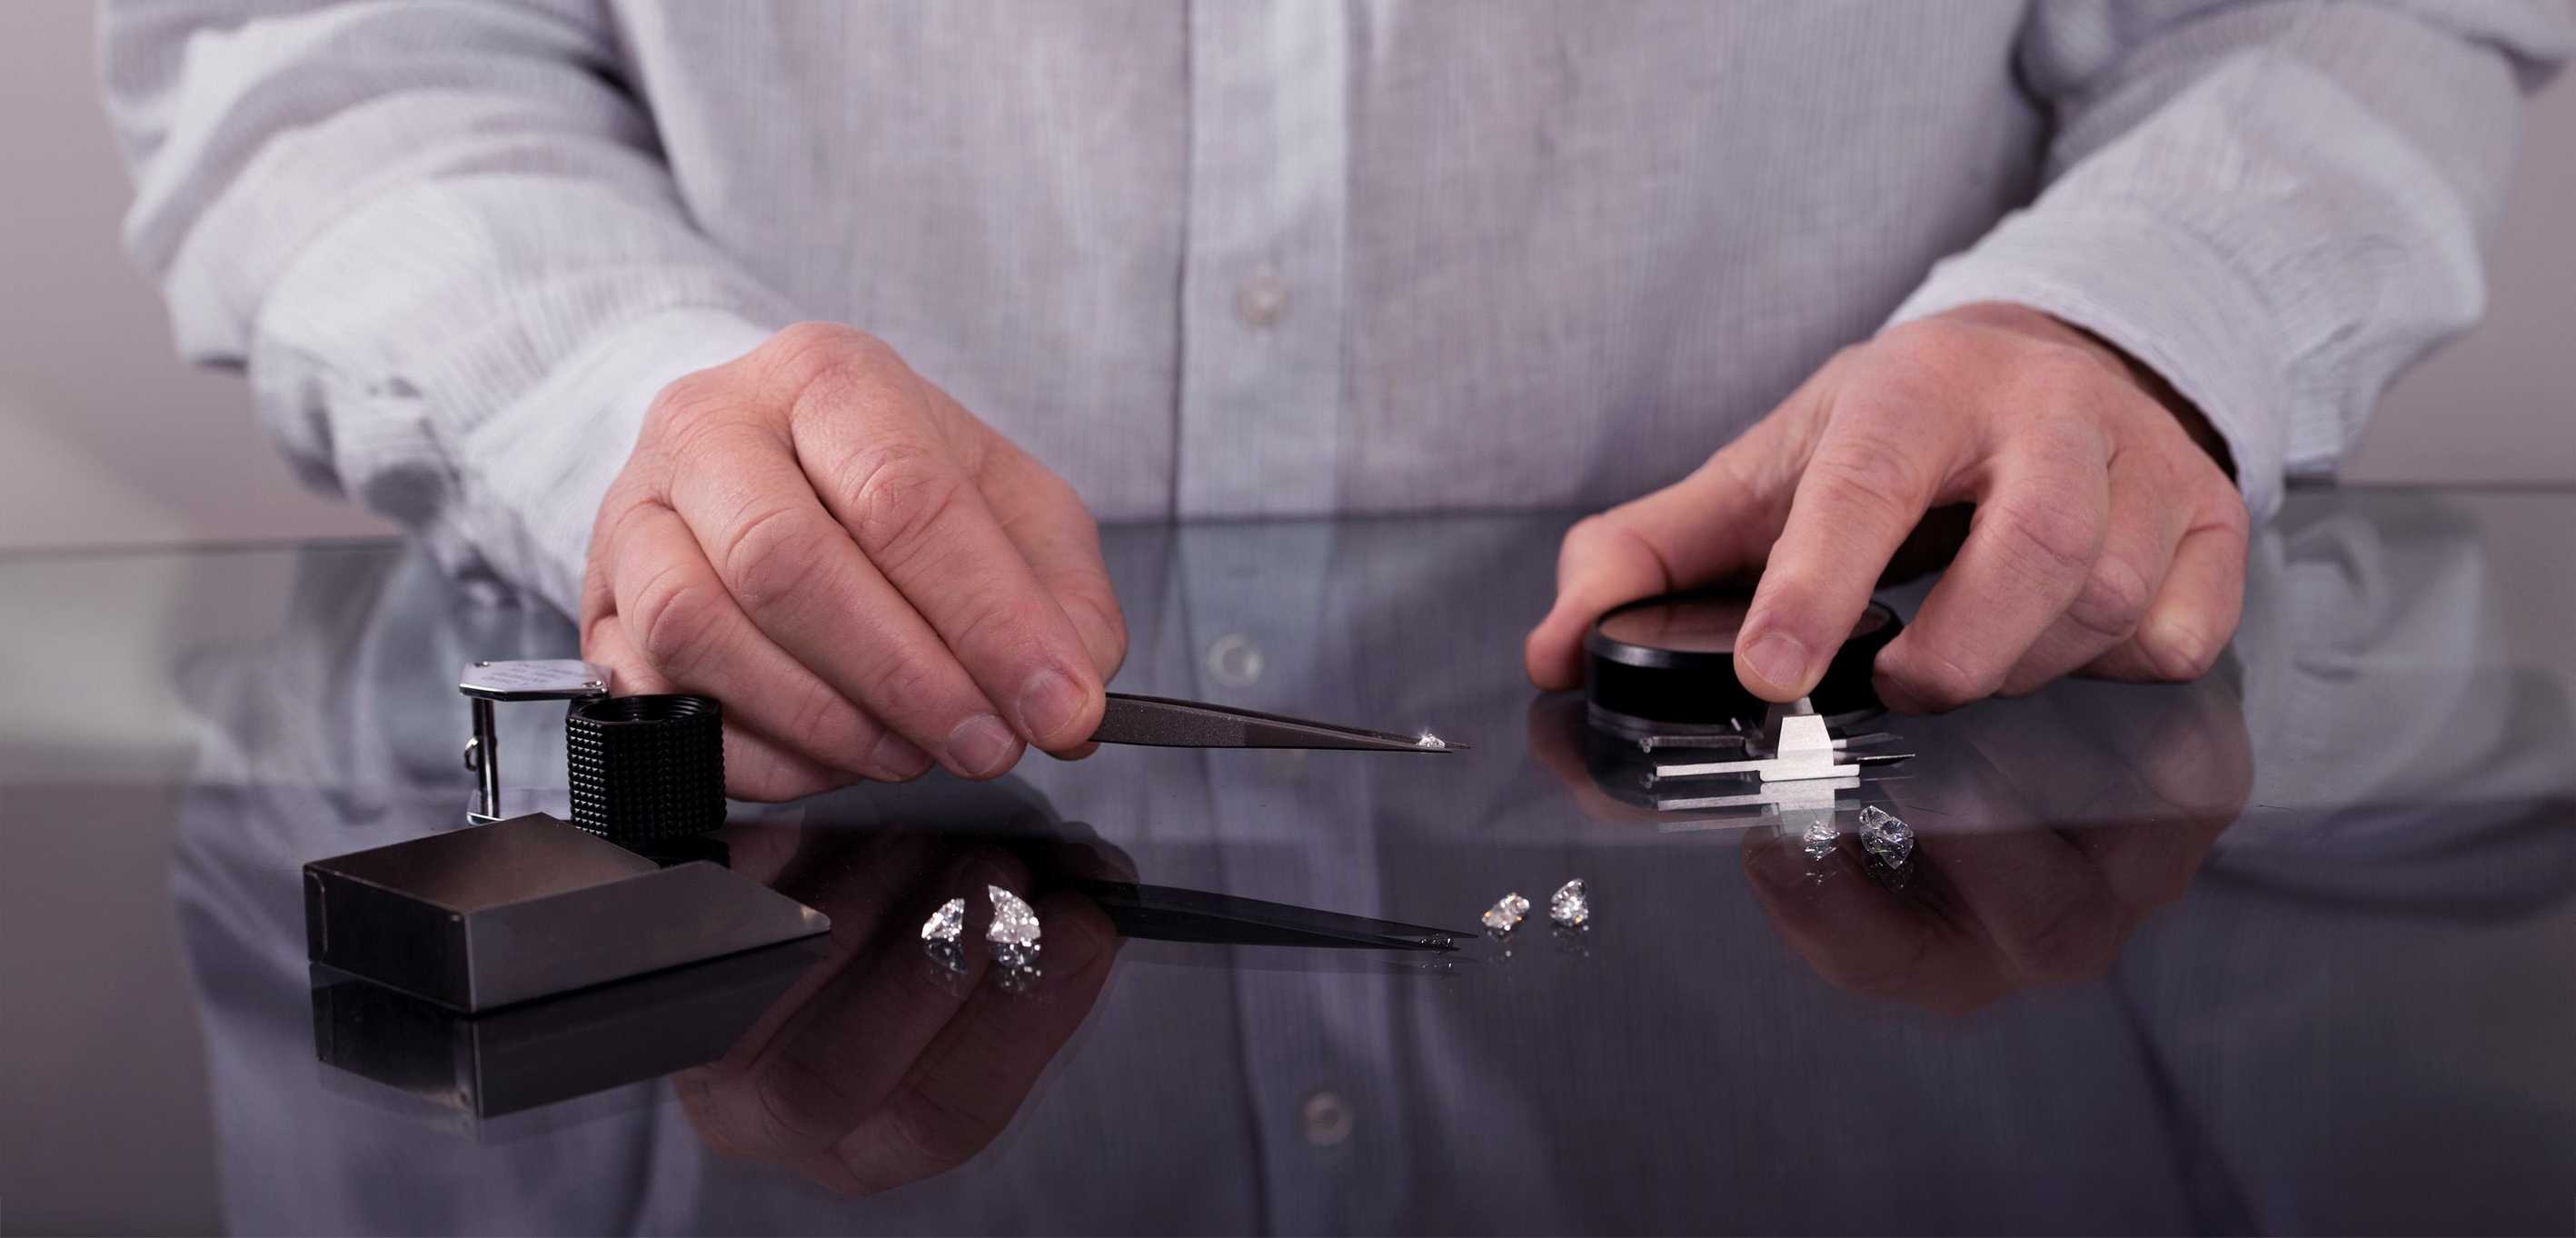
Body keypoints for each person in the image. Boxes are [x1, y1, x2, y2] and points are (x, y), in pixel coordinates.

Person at [104, 1, 2571, 799]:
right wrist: (621, 405)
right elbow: (332, 55)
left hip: (1907, 871)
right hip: (800, 915)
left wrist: (2121, 328)